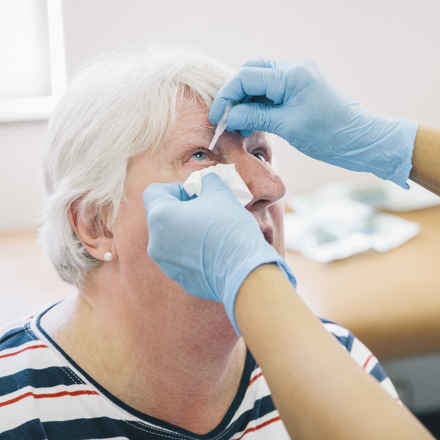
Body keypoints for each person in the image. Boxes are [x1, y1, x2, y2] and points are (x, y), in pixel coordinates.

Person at [0, 49, 420, 439]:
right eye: (200, 155)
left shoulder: (339, 363)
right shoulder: (14, 406)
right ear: (96, 223)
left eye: (260, 152)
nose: (270, 186)